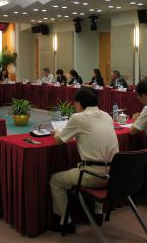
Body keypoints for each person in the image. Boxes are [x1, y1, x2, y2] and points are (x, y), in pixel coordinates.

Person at [50, 88, 119, 232]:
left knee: (56, 180)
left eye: (75, 103)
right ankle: (98, 213)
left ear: (79, 103)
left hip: (93, 175)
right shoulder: (107, 116)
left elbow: (59, 141)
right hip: (115, 174)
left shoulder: (77, 118)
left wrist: (57, 132)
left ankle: (65, 221)